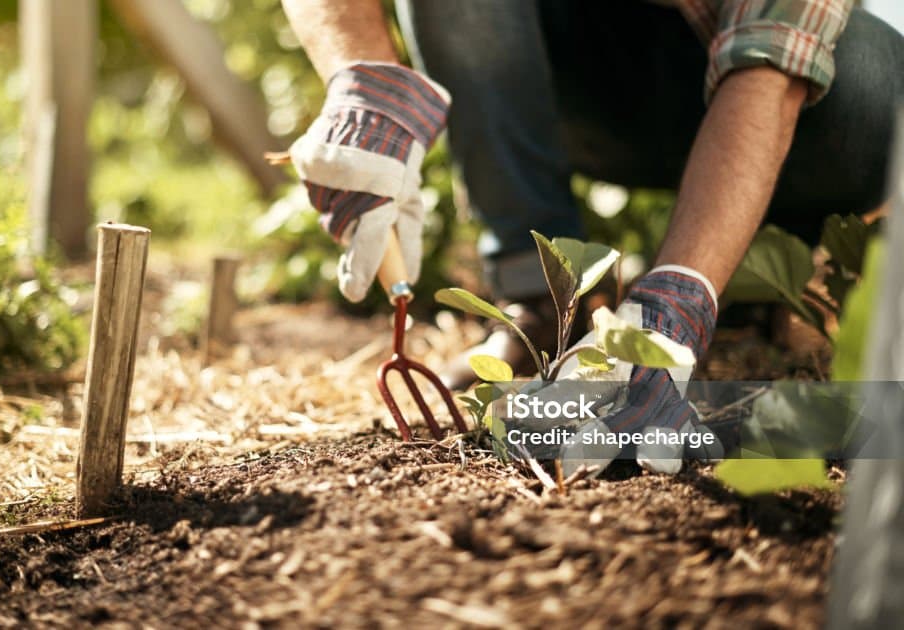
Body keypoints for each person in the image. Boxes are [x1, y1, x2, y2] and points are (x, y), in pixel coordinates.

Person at [280, 0, 904, 471]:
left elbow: (774, 68)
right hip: (571, 76)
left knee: (877, 83)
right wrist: (360, 78)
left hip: (769, 81)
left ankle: (745, 280)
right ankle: (545, 301)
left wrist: (672, 305)